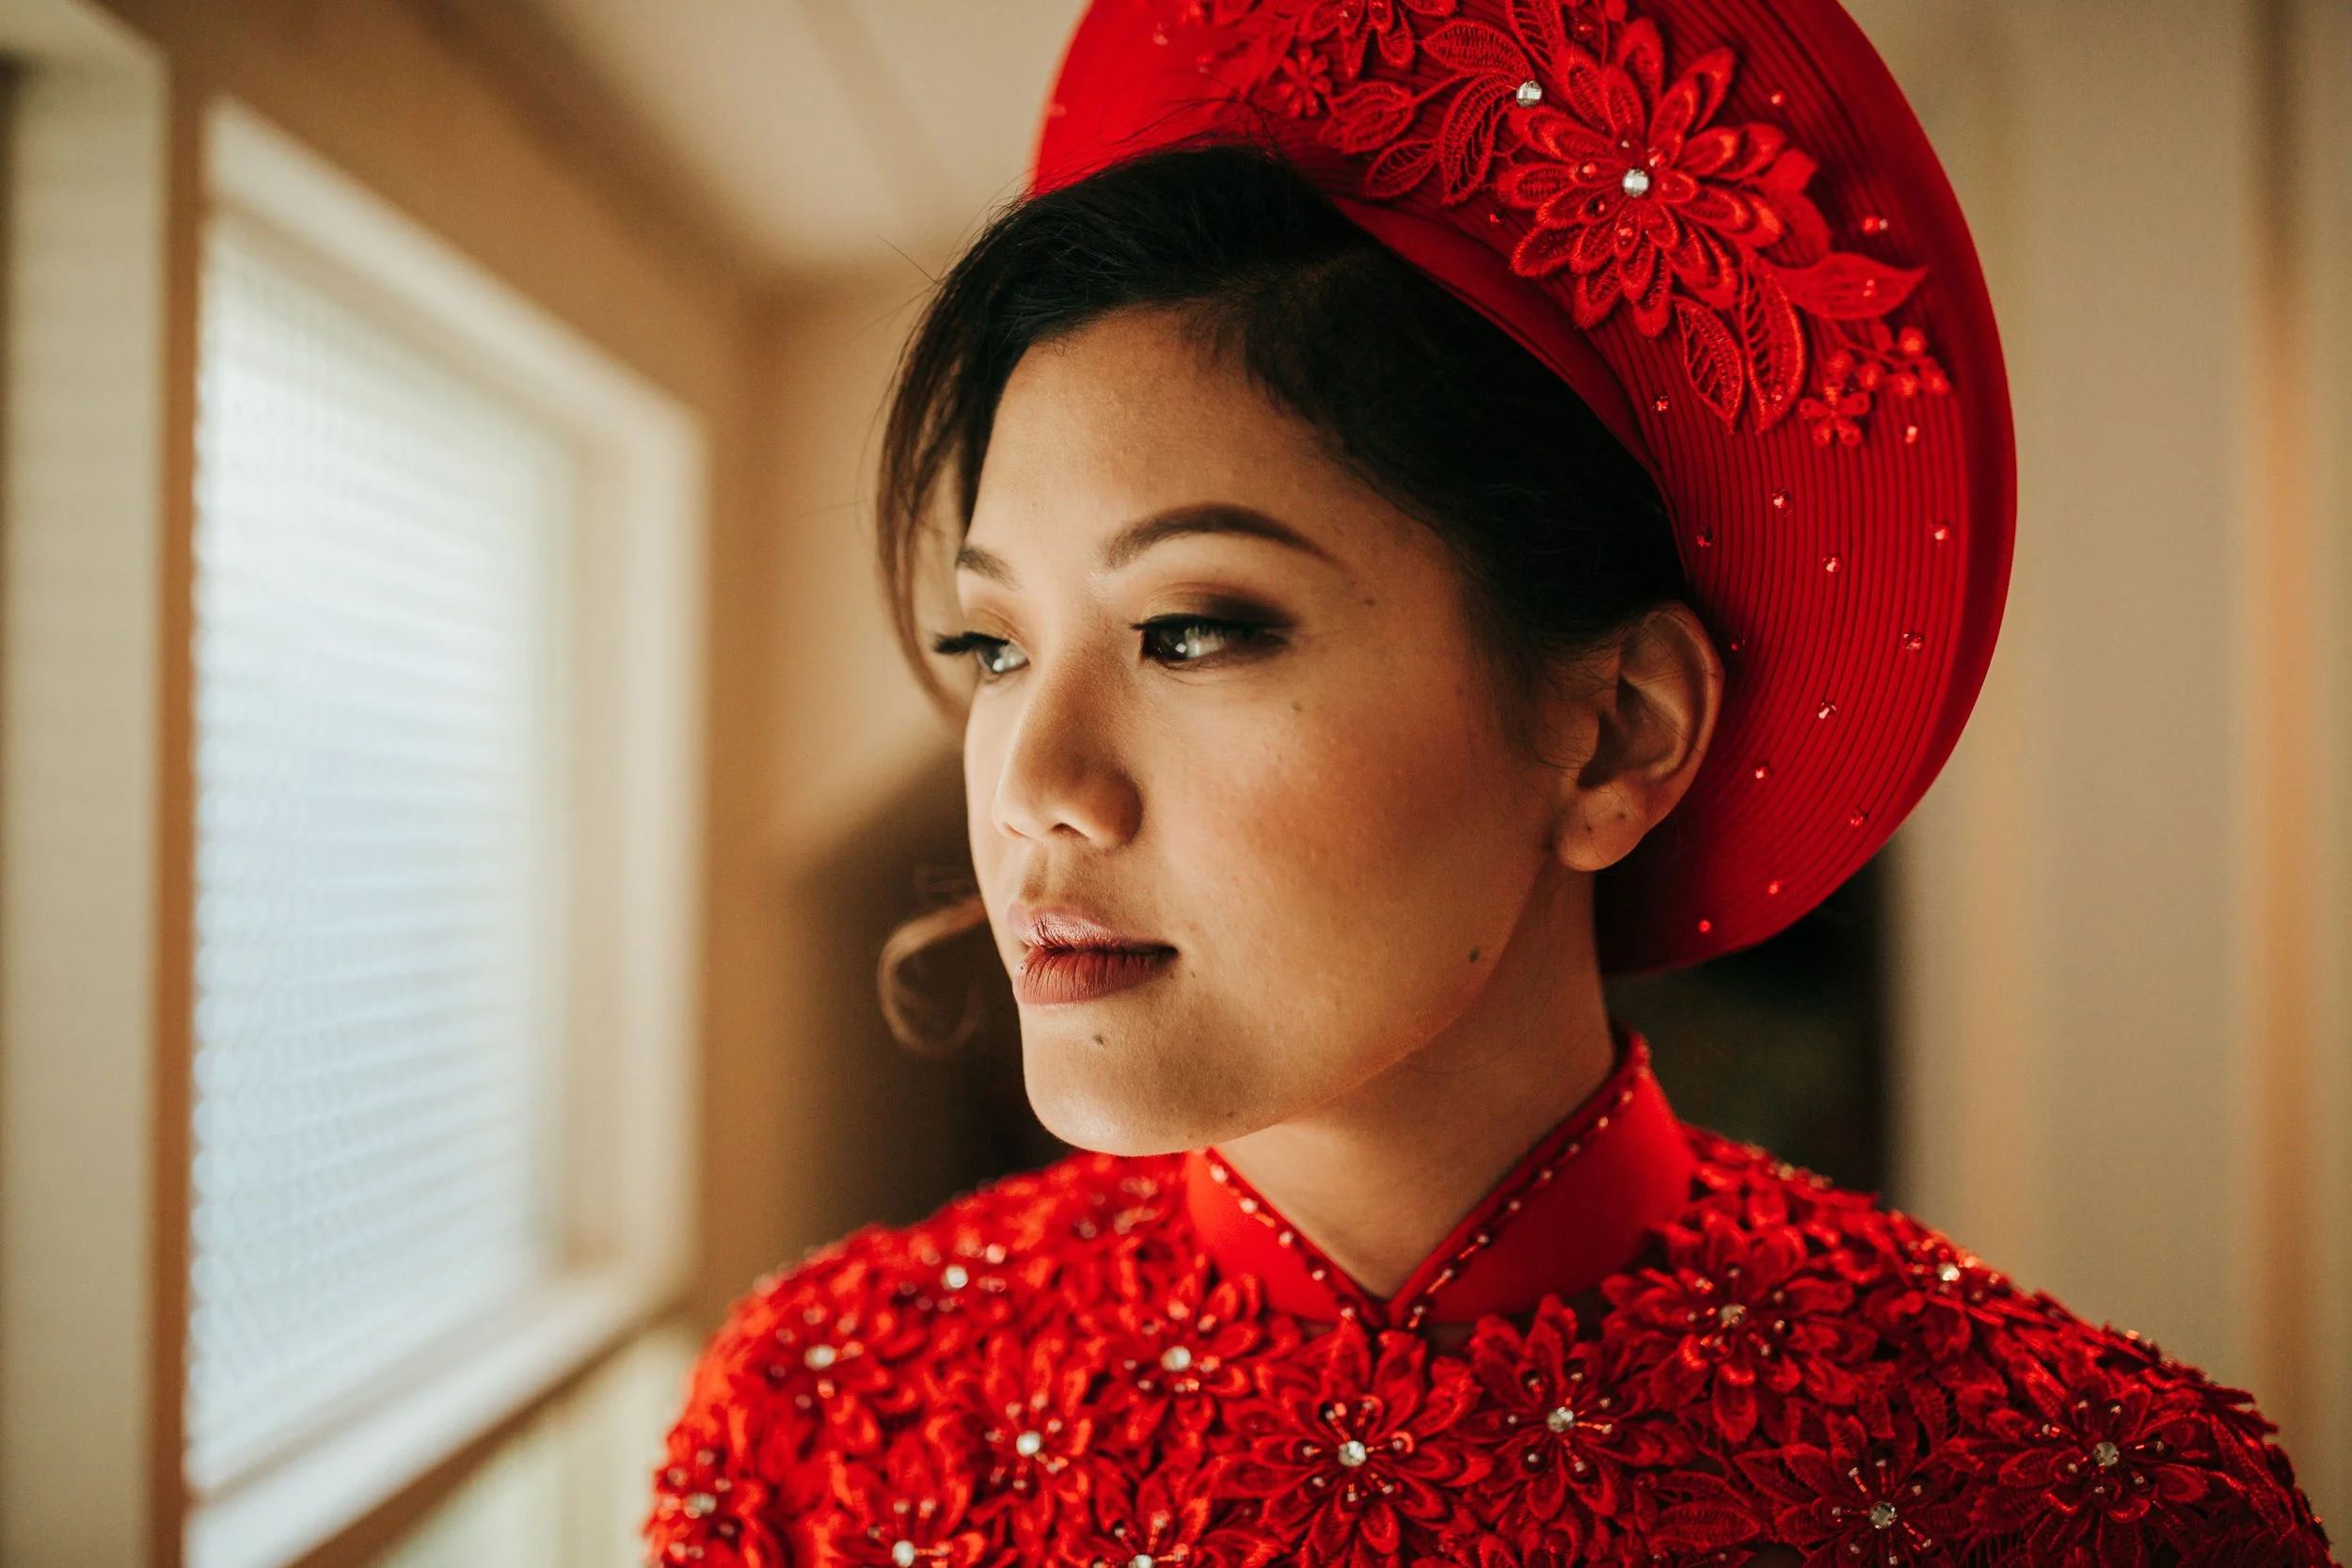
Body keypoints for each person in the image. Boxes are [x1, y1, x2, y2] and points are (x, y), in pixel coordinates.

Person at [648, 1, 2334, 1563]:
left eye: (1193, 630)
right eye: (991, 647)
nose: (1038, 786)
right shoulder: (820, 1427)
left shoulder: (2065, 1499)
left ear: (1614, 734)